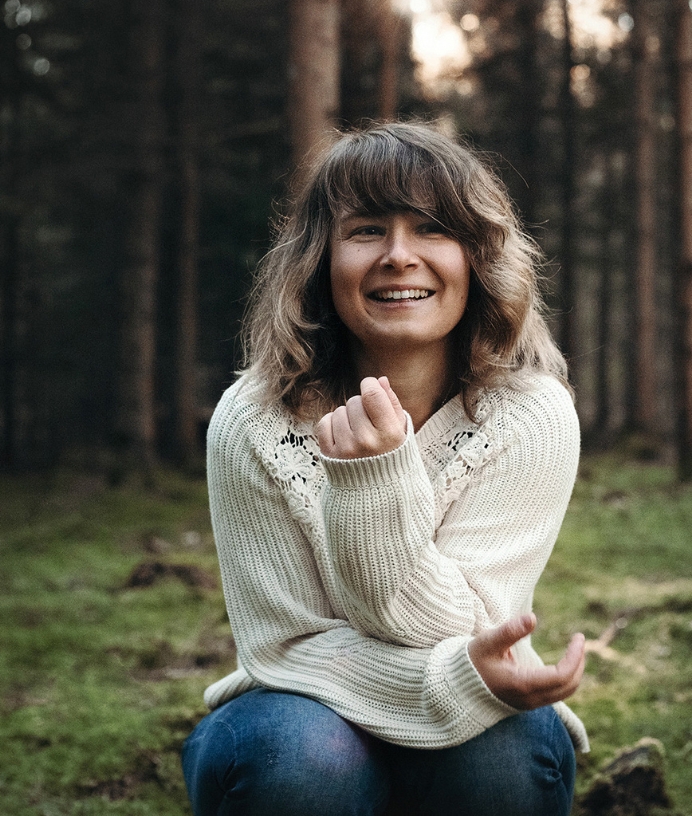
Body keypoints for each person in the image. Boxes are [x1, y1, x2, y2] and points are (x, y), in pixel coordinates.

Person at [181, 122, 587, 816]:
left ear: (475, 257)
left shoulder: (531, 415)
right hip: (292, 714)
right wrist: (458, 682)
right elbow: (285, 649)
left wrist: (376, 482)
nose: (400, 257)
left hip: (472, 730)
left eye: (432, 229)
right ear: (320, 260)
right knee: (309, 760)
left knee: (504, 753)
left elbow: (465, 623)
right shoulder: (254, 420)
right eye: (367, 229)